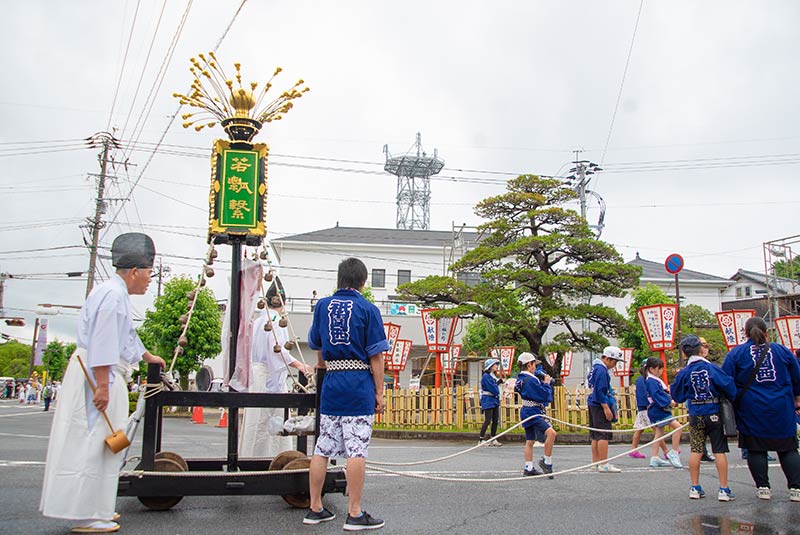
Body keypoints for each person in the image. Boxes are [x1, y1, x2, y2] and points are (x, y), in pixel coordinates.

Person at [40, 233, 166, 534]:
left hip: (105, 373)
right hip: (98, 374)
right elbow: (103, 340)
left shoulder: (116, 294)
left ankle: (99, 507)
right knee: (95, 441)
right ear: (134, 271)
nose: (150, 280)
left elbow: (127, 337)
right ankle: (86, 514)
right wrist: (102, 386)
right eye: (149, 273)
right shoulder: (111, 295)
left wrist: (148, 357)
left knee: (109, 442)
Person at [304, 258, 390, 531]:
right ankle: (354, 513)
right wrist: (379, 392)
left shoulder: (322, 306)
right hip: (358, 383)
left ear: (340, 279)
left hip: (332, 382)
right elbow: (376, 356)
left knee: (322, 447)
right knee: (356, 448)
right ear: (363, 282)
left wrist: (323, 364)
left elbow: (317, 346)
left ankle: (315, 508)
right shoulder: (368, 308)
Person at [722, 316, 800, 502]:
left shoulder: (737, 353)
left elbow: (726, 380)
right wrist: (796, 397)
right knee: (788, 448)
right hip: (781, 405)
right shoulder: (781, 350)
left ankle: (763, 487)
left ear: (745, 333)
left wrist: (735, 397)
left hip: (751, 407)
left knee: (756, 448)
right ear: (766, 332)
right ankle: (796, 488)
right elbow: (797, 376)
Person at [241, 284, 313, 458]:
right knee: (272, 423)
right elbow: (279, 351)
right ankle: (272, 459)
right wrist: (300, 365)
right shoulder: (277, 322)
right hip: (269, 377)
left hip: (256, 376)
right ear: (284, 302)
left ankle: (249, 458)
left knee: (255, 422)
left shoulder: (257, 321)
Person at [671, 335, 737, 501]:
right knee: (719, 450)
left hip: (695, 412)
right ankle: (723, 489)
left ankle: (695, 487)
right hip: (713, 411)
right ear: (700, 349)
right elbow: (728, 386)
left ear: (684, 353)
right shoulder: (711, 368)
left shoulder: (684, 372)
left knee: (696, 449)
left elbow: (677, 395)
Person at [515, 352, 556, 478]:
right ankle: (547, 461)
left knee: (530, 440)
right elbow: (543, 395)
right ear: (529, 365)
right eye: (534, 365)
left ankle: (528, 467)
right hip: (533, 411)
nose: (535, 368)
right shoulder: (530, 380)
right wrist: (546, 384)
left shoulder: (521, 379)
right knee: (551, 433)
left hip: (526, 409)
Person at [587, 346, 625, 473]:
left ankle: (596, 462)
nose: (614, 365)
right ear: (608, 359)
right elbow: (600, 390)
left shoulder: (595, 367)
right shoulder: (602, 370)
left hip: (592, 402)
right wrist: (606, 408)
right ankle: (604, 463)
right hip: (599, 404)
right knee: (603, 434)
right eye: (615, 362)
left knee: (595, 435)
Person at [642, 357, 683, 469]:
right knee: (678, 427)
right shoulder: (652, 381)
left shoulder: (652, 380)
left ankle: (654, 457)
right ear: (651, 369)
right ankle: (674, 452)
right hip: (658, 410)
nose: (661, 371)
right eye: (659, 369)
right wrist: (669, 402)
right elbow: (657, 396)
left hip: (656, 410)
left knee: (659, 433)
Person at [629, 364, 668, 460]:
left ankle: (633, 449)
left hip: (643, 407)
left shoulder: (643, 379)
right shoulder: (643, 379)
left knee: (640, 429)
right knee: (657, 430)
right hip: (646, 407)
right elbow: (644, 394)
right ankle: (666, 451)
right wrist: (648, 404)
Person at [478, 358, 502, 446]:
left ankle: (493, 438)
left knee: (495, 420)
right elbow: (493, 388)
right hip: (488, 399)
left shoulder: (492, 375)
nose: (496, 366)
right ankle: (481, 439)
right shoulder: (486, 376)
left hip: (494, 399)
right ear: (490, 366)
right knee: (488, 420)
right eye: (495, 364)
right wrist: (497, 384)